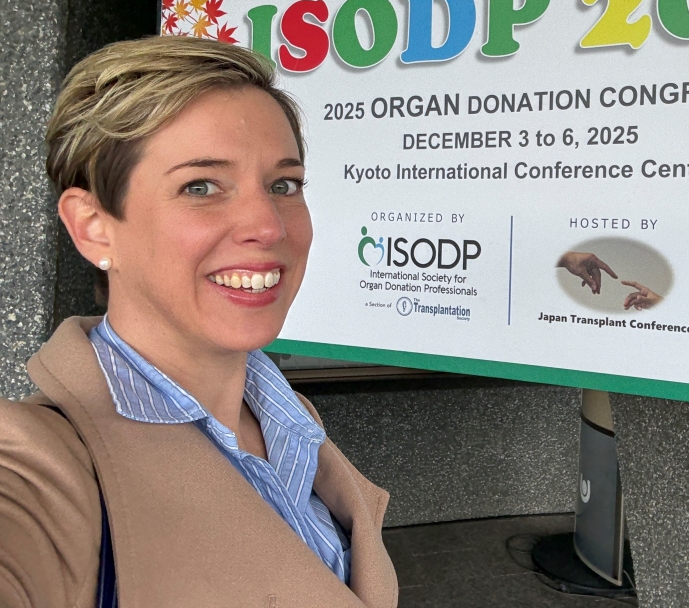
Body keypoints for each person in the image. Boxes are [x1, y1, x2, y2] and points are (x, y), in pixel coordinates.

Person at [0, 37, 398, 607]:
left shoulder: (287, 416)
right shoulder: (46, 468)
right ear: (93, 227)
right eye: (200, 187)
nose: (268, 225)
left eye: (284, 184)